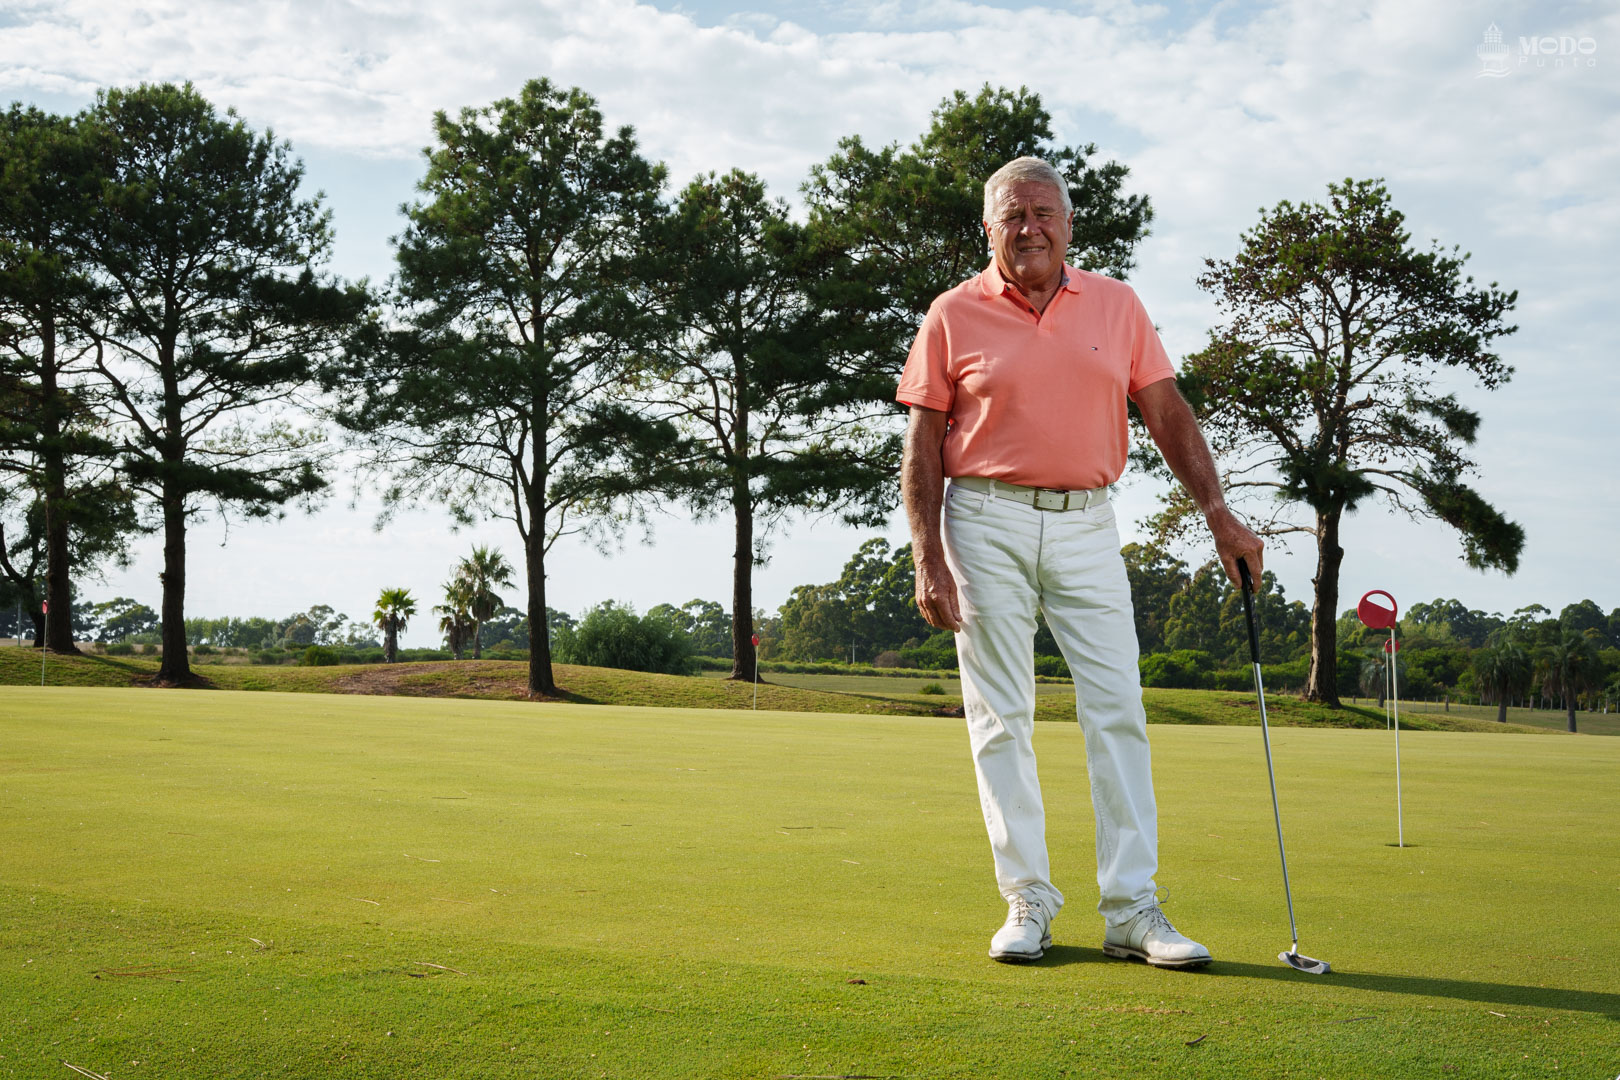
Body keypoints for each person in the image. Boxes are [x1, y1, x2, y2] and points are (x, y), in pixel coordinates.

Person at [897, 156, 1262, 967]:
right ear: (988, 229)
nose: (1029, 228)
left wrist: (1218, 512)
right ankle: (1027, 899)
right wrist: (928, 555)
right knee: (1001, 718)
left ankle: (1132, 909)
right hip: (982, 519)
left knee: (1117, 708)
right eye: (1012, 215)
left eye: (1043, 213)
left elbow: (1166, 411)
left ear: (1068, 223)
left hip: (1088, 521)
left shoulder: (1117, 304)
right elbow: (921, 441)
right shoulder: (952, 313)